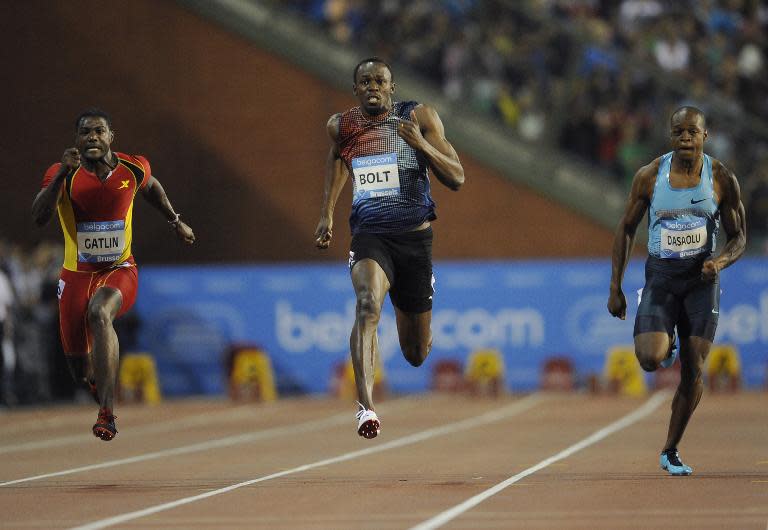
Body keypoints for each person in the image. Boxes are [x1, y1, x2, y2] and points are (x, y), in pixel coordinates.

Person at [314, 58, 465, 438]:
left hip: (414, 239)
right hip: (371, 236)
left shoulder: (419, 117)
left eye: (379, 81)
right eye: (364, 82)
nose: (372, 87)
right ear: (355, 90)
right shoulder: (342, 126)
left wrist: (420, 145)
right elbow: (337, 159)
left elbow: (457, 177)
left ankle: (412, 299)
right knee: (367, 304)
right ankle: (365, 407)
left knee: (416, 354)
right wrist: (327, 214)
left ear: (392, 87)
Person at [32, 109, 195, 440]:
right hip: (76, 275)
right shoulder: (62, 174)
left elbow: (151, 188)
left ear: (110, 136)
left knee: (100, 313)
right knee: (79, 370)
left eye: (98, 131)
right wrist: (64, 172)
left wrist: (175, 222)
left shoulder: (133, 167)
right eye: (85, 132)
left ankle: (106, 413)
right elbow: (38, 216)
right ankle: (97, 380)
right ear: (76, 140)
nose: (92, 136)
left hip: (119, 270)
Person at [608, 106, 746, 475]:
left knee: (694, 368)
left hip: (702, 281)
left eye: (692, 132)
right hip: (662, 278)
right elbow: (625, 228)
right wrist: (615, 287)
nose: (686, 138)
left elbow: (739, 237)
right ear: (672, 137)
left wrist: (719, 262)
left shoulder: (720, 178)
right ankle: (665, 344)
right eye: (679, 132)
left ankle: (670, 449)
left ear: (705, 136)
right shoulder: (650, 176)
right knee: (650, 359)